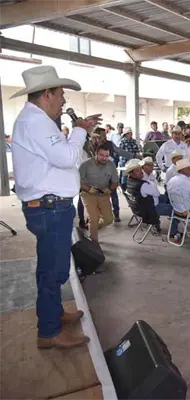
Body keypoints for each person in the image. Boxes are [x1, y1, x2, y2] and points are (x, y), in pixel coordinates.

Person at [11, 65, 100, 349]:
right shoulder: (35, 122)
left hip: (50, 207)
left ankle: (54, 314)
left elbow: (61, 158)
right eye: (61, 94)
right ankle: (49, 332)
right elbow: (66, 157)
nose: (63, 101)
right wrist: (79, 130)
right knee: (53, 271)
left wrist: (77, 131)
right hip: (49, 209)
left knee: (52, 266)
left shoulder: (37, 121)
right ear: (47, 94)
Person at [79, 142, 119, 242]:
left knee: (109, 220)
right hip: (88, 194)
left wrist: (110, 189)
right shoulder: (85, 165)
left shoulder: (111, 165)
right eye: (101, 155)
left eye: (107, 156)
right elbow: (78, 181)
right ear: (96, 153)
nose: (104, 158)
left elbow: (115, 182)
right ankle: (94, 243)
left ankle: (92, 229)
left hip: (104, 194)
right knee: (93, 218)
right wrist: (88, 189)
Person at [166, 159, 190, 241]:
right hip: (188, 212)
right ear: (183, 170)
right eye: (189, 168)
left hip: (176, 210)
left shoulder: (171, 180)